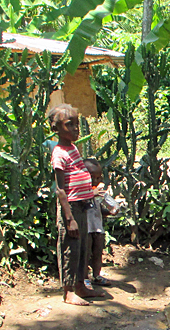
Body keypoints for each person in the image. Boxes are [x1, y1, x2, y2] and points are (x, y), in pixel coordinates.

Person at [49, 104, 104, 306]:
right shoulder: (59, 154)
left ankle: (80, 285)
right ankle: (68, 291)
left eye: (76, 124)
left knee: (81, 249)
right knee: (70, 249)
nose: (75, 129)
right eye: (69, 124)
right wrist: (69, 218)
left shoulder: (72, 148)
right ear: (56, 128)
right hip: (70, 208)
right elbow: (60, 190)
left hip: (81, 205)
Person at [83, 159, 114, 288]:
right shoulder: (82, 192)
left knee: (97, 253)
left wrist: (110, 210)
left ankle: (97, 276)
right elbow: (81, 205)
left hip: (98, 227)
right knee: (85, 254)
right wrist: (92, 194)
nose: (95, 181)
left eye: (98, 178)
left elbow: (99, 209)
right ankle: (84, 278)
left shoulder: (99, 192)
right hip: (86, 228)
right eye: (92, 177)